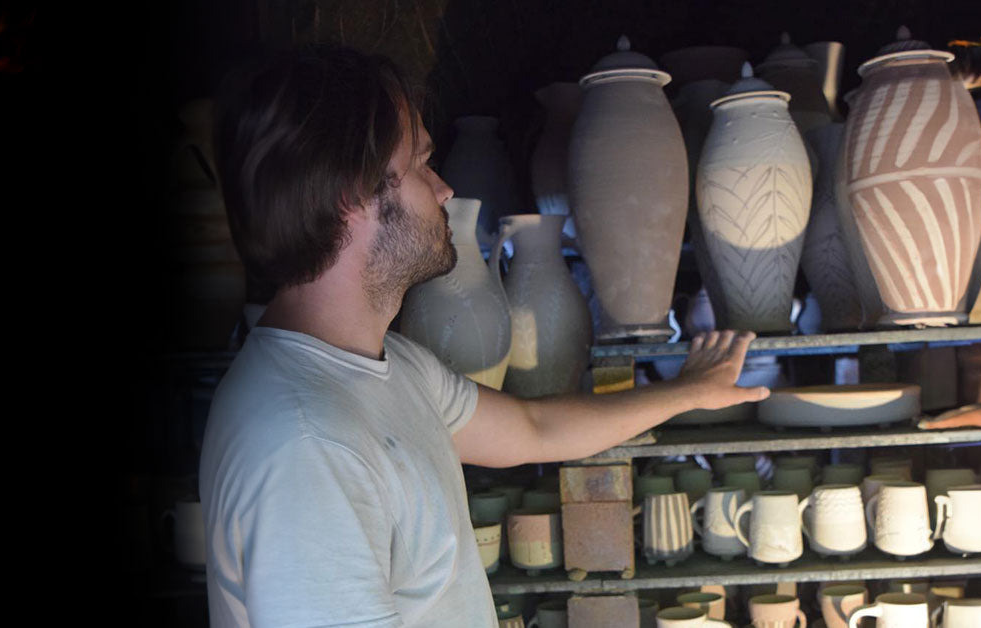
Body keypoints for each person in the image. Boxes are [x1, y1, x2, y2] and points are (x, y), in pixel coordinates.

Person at [199, 44, 770, 627]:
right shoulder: (307, 443)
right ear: (351, 193)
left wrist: (690, 390)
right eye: (422, 164)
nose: (444, 188)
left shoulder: (387, 367)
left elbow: (534, 428)